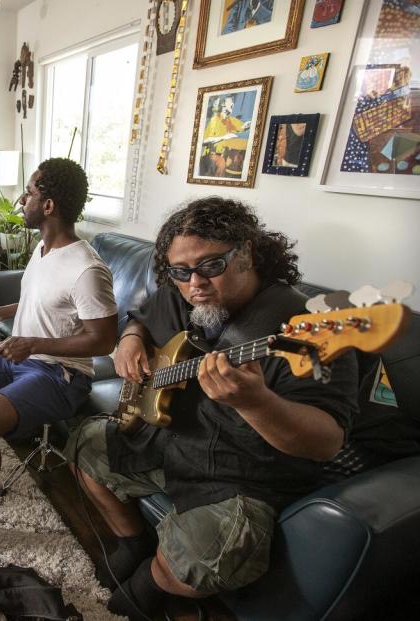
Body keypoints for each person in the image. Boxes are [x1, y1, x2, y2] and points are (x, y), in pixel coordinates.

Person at [65, 197, 358, 619]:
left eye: (211, 265)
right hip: (176, 441)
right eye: (180, 271)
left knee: (205, 557)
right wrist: (130, 338)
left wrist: (255, 401)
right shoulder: (185, 292)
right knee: (81, 446)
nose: (194, 282)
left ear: (248, 254)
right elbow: (143, 317)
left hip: (245, 474)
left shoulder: (306, 329)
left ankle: (154, 577)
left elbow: (326, 442)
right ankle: (133, 542)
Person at [0, 158, 118, 558]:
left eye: (30, 191)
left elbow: (103, 341)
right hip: (24, 359)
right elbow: (42, 301)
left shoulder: (87, 268)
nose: (22, 199)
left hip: (62, 375)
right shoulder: (43, 249)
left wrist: (33, 344)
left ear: (48, 205)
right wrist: (1, 314)